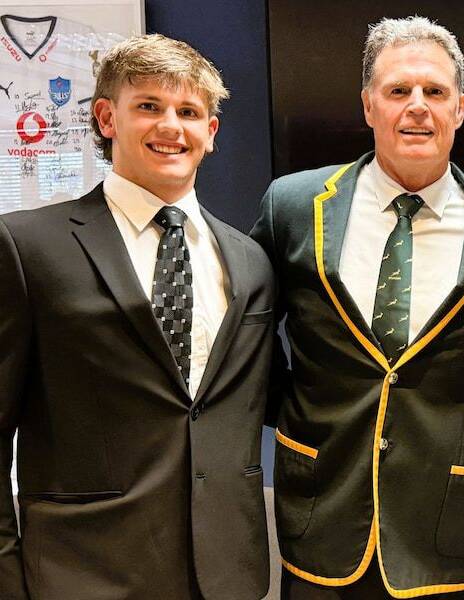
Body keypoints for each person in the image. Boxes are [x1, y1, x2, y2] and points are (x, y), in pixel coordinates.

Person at [250, 16, 464, 600]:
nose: (417, 107)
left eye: (435, 91)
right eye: (398, 90)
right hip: (323, 517)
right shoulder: (293, 207)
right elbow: (247, 337)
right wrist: (297, 411)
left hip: (450, 531)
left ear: (459, 108)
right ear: (368, 105)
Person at [0, 34, 273, 600]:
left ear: (211, 133)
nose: (171, 126)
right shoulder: (27, 247)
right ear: (107, 117)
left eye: (189, 112)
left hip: (225, 573)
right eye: (149, 105)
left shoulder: (250, 261)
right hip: (79, 574)